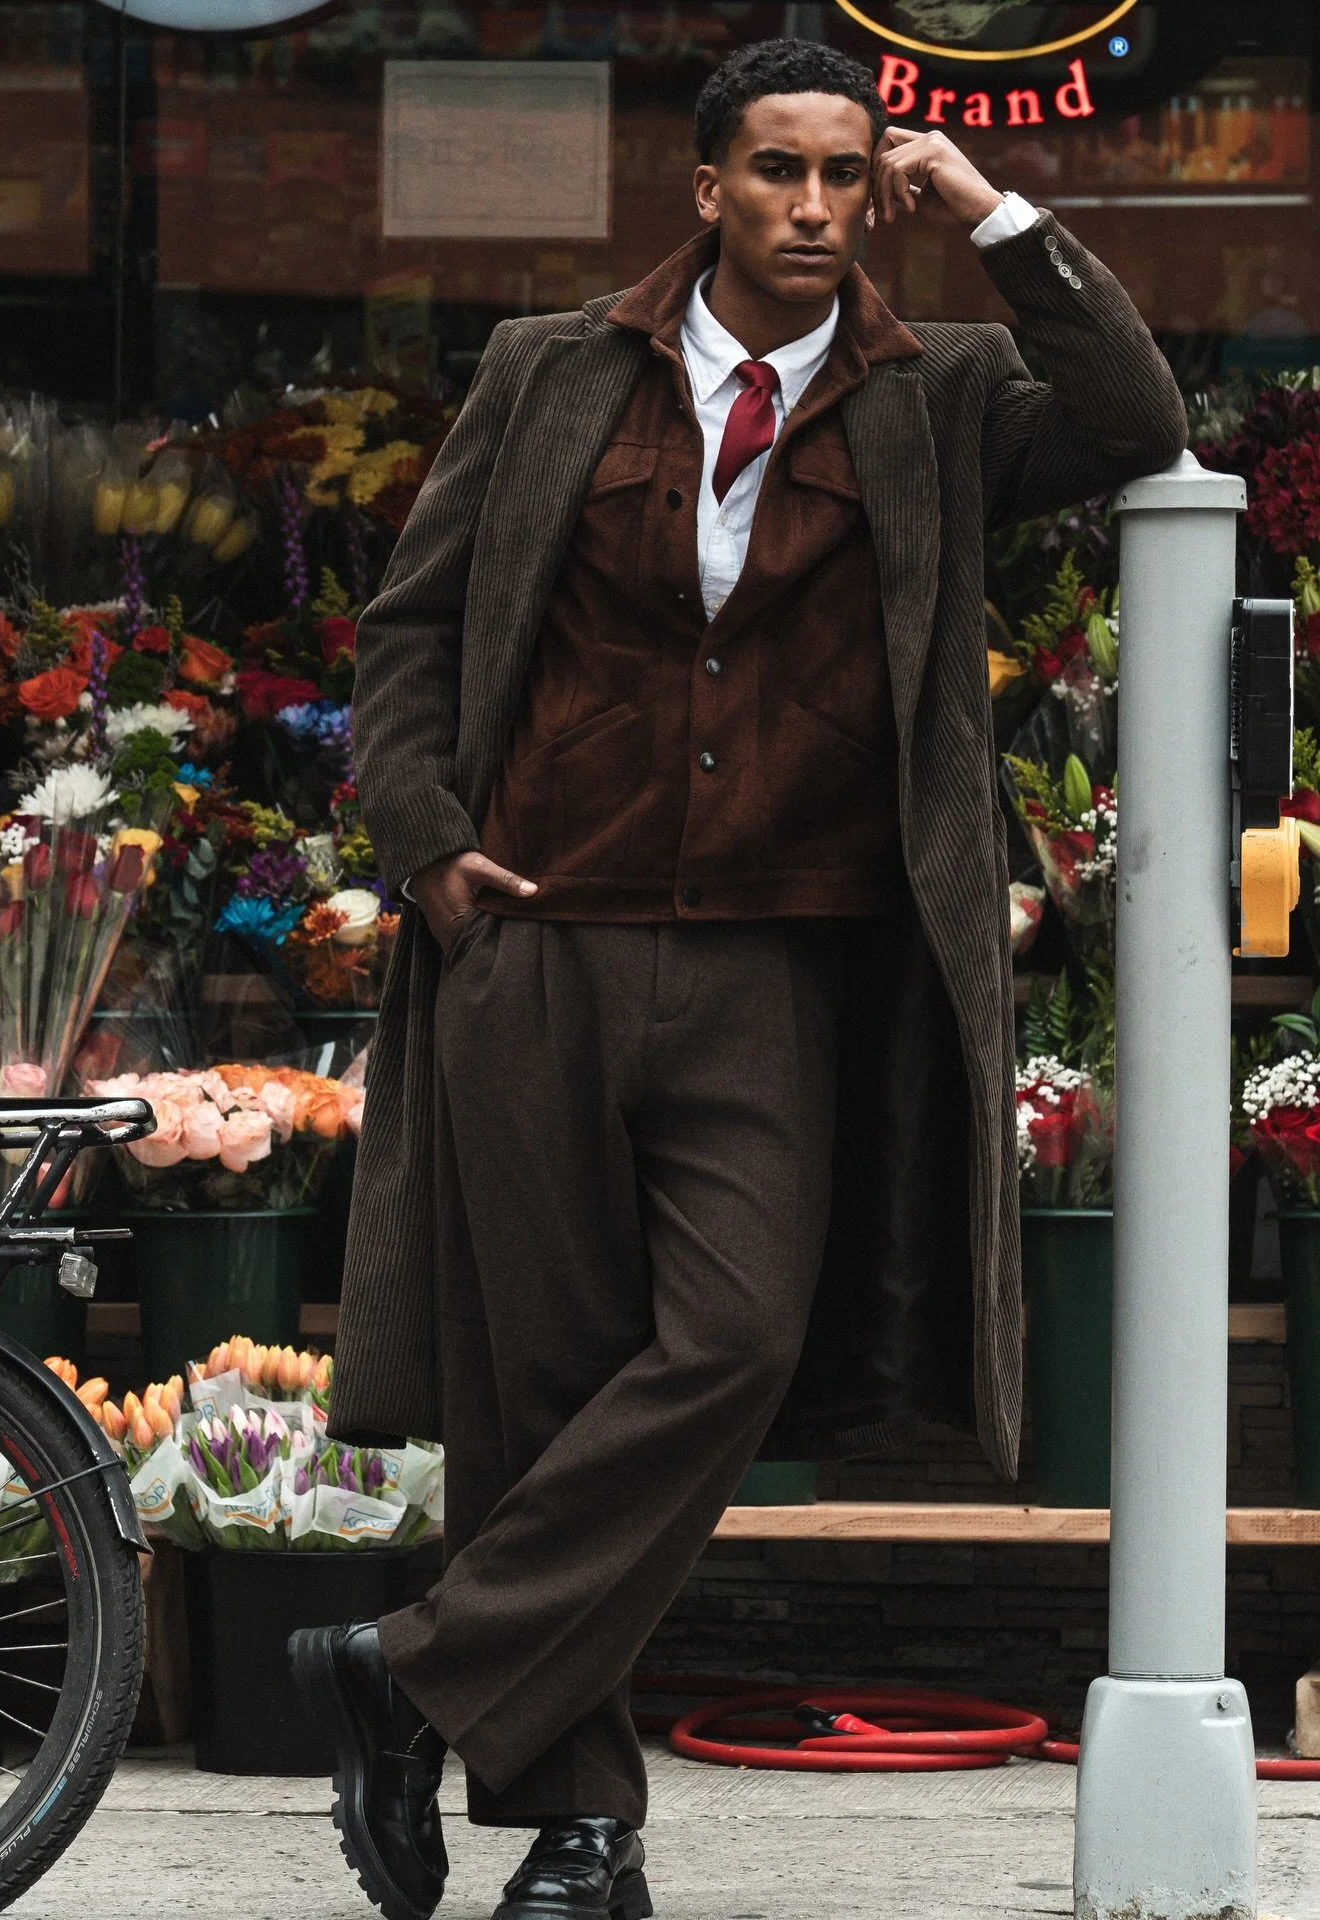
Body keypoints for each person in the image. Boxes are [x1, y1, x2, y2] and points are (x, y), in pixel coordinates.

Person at [291, 38, 1186, 1920]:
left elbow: (1129, 418)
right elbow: (416, 627)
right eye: (777, 172)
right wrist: (430, 844)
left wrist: (999, 214)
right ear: (705, 188)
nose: (812, 206)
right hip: (538, 943)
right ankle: (583, 1833)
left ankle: (415, 1668)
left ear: (880, 196)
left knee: (729, 1343)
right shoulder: (550, 372)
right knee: (540, 1388)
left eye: (848, 177)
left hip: (784, 965)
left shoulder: (933, 397)